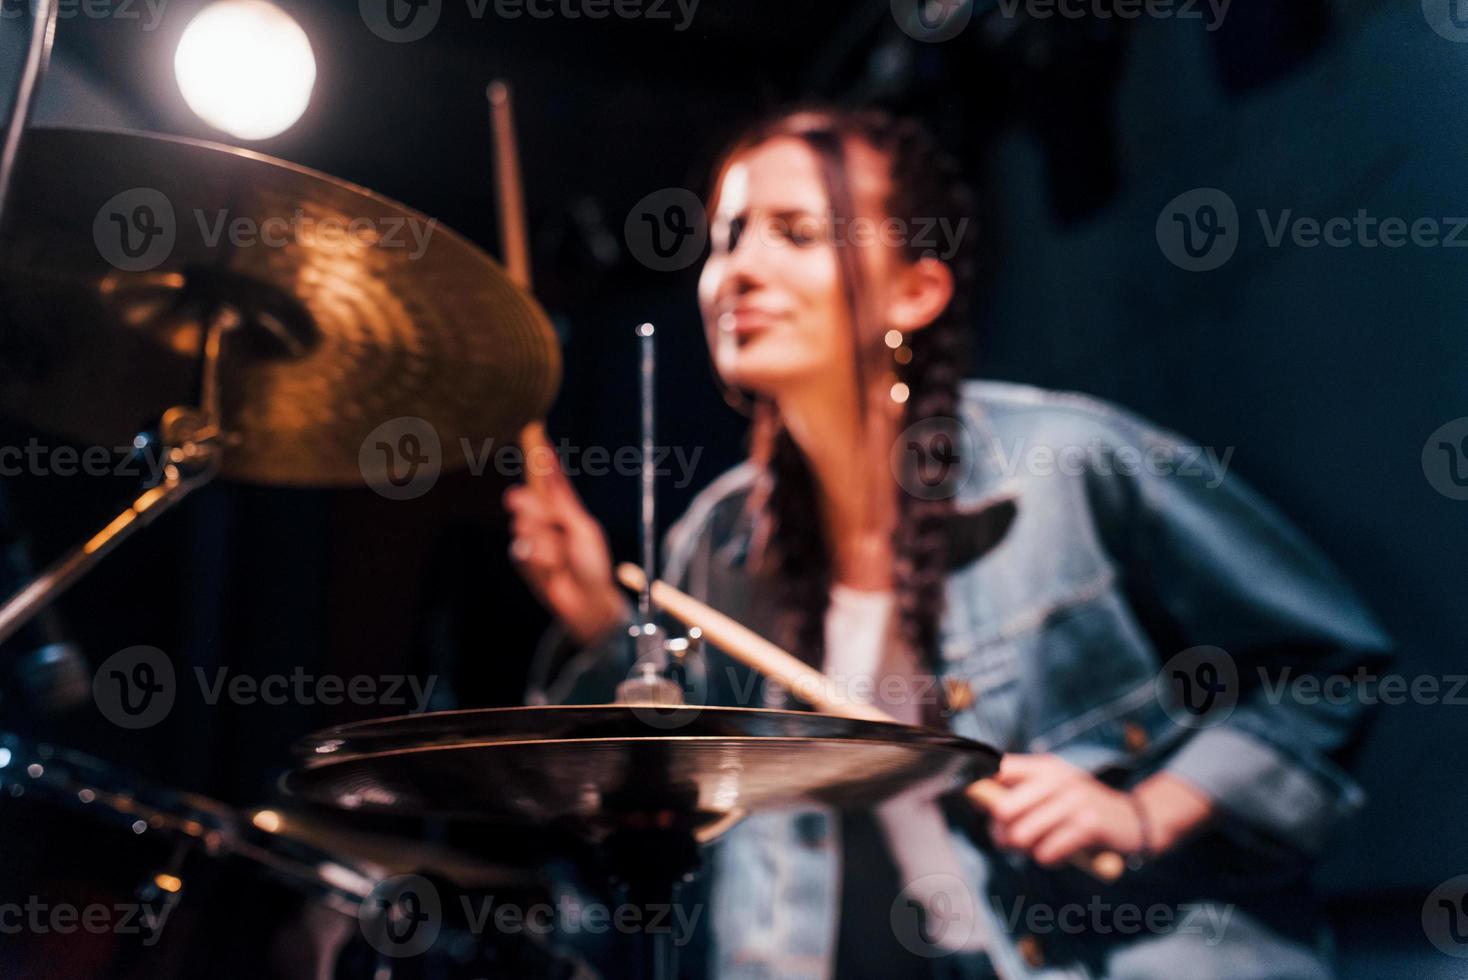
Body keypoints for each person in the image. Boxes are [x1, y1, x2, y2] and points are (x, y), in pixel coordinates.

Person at [504, 107, 1390, 979]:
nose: (738, 269)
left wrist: (1145, 812)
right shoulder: (722, 540)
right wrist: (597, 621)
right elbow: (666, 793)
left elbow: (1324, 665)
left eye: (795, 232)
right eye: (728, 236)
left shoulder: (1065, 462)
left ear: (915, 291)